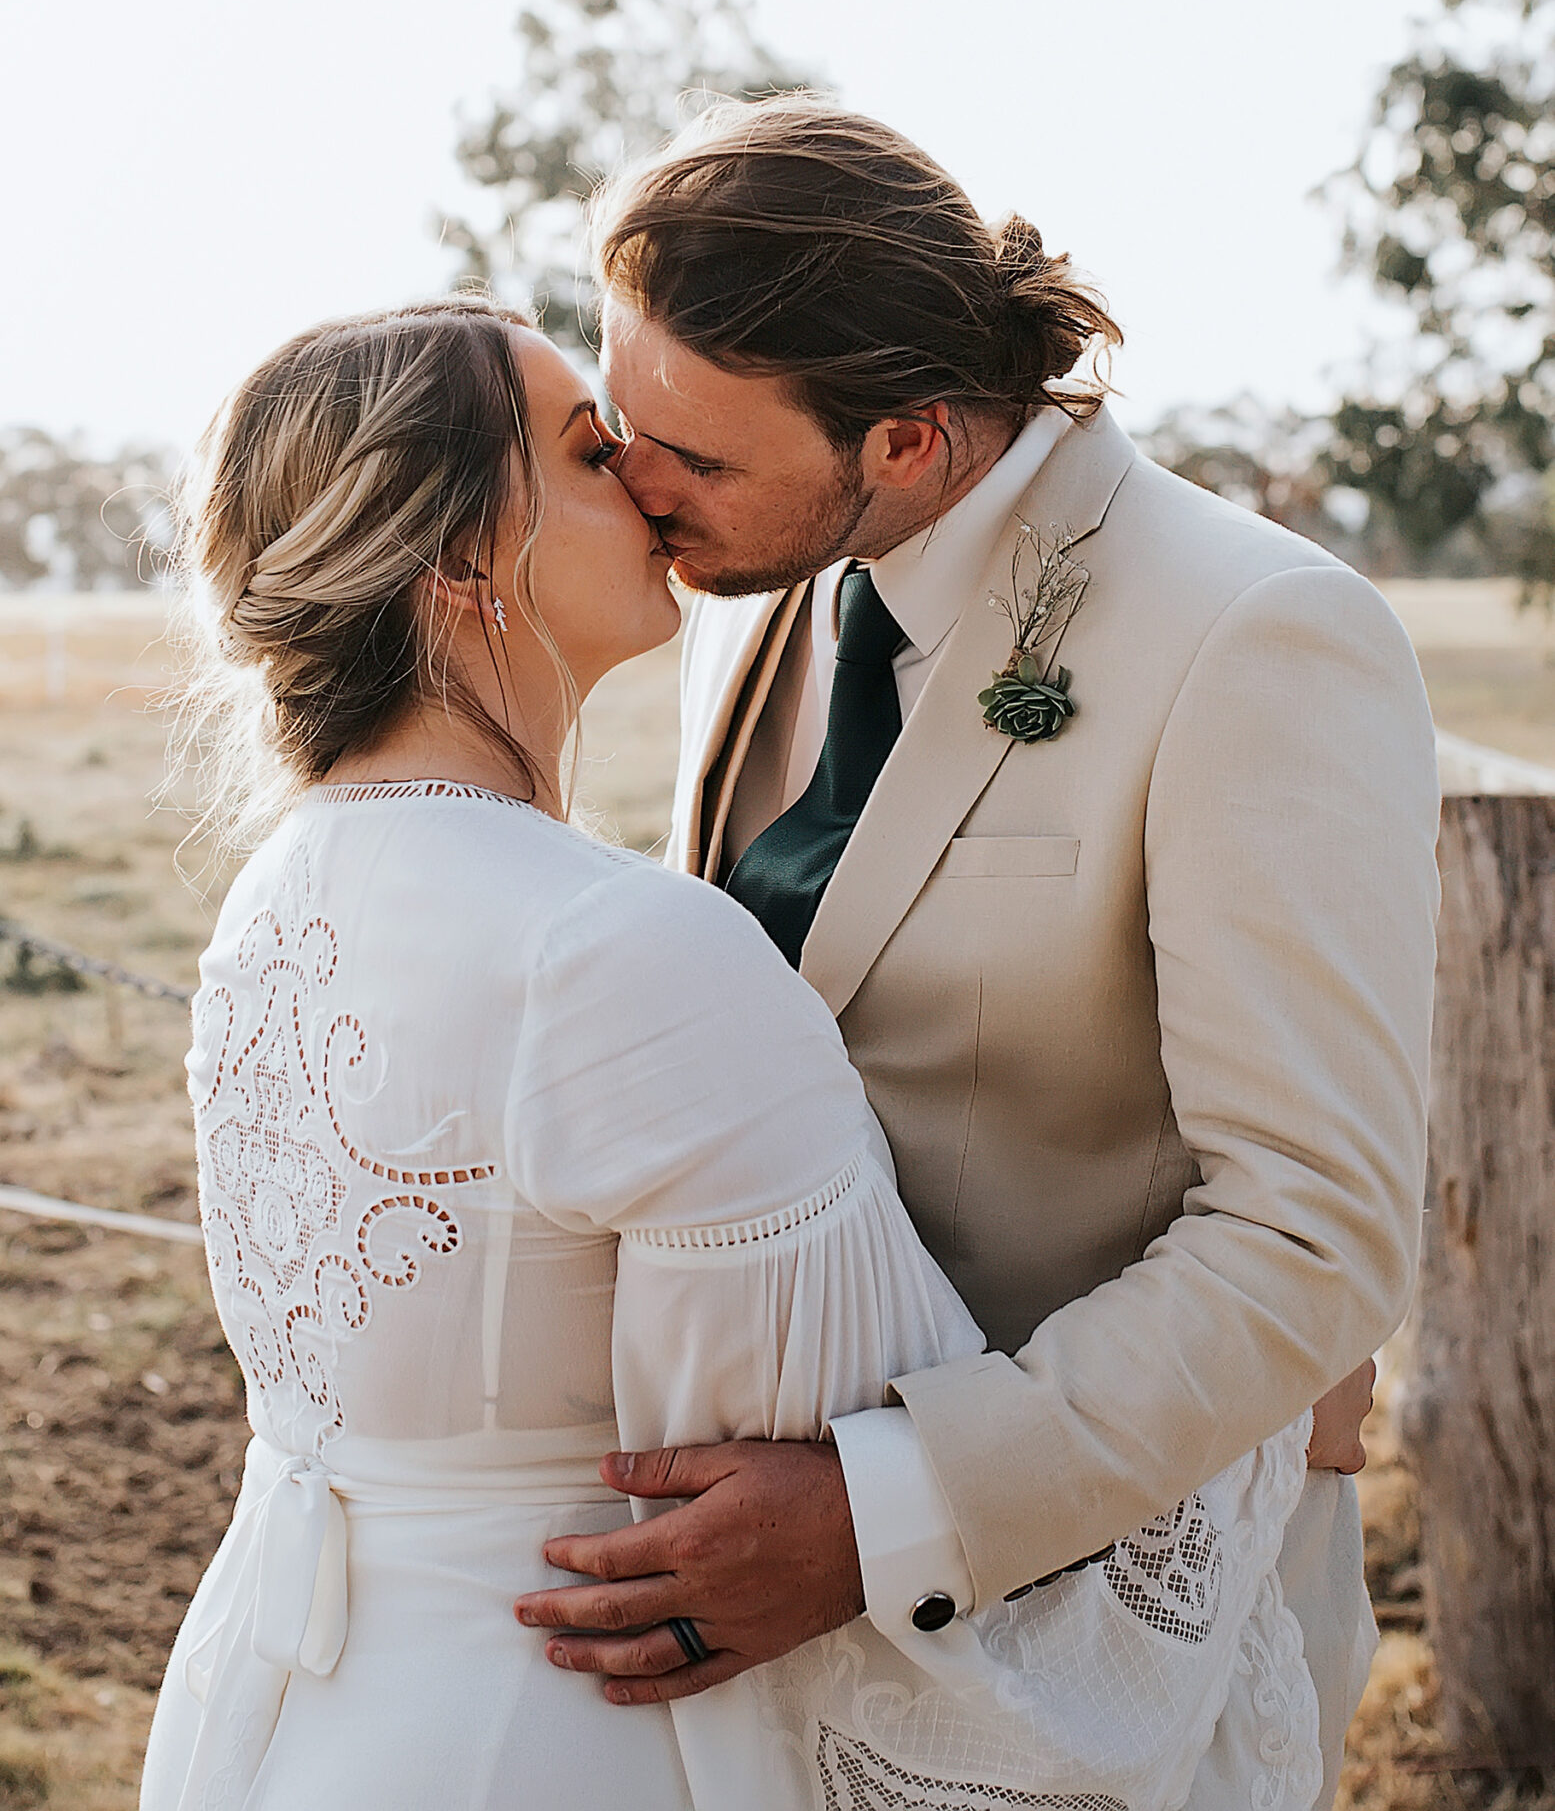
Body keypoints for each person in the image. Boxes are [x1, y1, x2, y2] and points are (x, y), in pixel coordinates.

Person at [141, 296, 1335, 1811]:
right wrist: (1272, 1409)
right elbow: (867, 1464)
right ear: (458, 560)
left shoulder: (276, 892)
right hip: (569, 1733)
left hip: (295, 1716)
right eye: (588, 449)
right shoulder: (621, 946)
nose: (646, 479)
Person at [518, 102, 1440, 1811]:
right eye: (628, 427)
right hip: (759, 1622)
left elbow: (1318, 1226)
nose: (641, 495)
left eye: (697, 462)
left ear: (914, 439)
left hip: (1091, 1618)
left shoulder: (1261, 635)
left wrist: (888, 1513)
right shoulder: (765, 588)